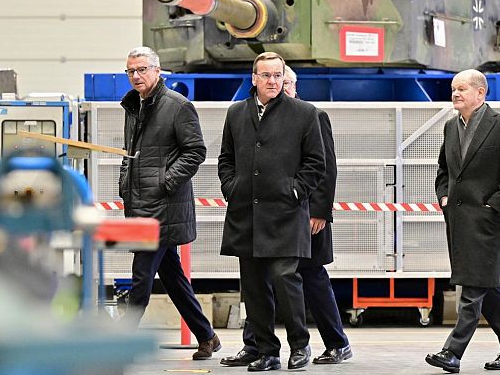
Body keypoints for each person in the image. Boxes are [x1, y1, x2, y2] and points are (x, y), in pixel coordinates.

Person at [220, 66, 352, 368]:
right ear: (255, 79)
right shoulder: (244, 113)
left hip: (300, 214)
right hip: (255, 213)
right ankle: (258, 347)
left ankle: (335, 343)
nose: (277, 84)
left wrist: (316, 208)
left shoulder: (310, 115)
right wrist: (233, 188)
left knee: (306, 278)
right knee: (257, 282)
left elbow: (324, 167)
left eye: (283, 79)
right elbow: (230, 158)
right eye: (268, 77)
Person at [118, 46, 221, 360]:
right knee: (173, 277)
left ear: (157, 70)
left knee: (140, 280)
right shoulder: (133, 105)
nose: (136, 76)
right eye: (131, 71)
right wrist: (126, 182)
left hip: (162, 208)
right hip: (140, 205)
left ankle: (119, 344)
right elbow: (132, 154)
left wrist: (165, 182)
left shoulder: (177, 106)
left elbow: (195, 151)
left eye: (142, 69)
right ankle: (207, 336)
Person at [425, 69, 500, 373]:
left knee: (472, 289)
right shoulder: (450, 127)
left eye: (462, 89)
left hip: (486, 223)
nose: (456, 94)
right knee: (487, 288)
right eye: (454, 89)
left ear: (480, 94)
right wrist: (443, 197)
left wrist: (492, 205)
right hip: (458, 220)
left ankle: (452, 352)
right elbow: (444, 170)